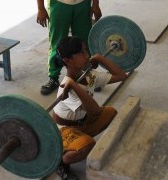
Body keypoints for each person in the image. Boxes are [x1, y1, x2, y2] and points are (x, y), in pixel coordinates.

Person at [52, 36, 127, 180]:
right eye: (81, 53)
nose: (87, 56)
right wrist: (73, 85)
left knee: (111, 113)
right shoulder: (65, 89)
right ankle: (61, 162)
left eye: (86, 50)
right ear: (68, 61)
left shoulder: (89, 75)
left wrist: (100, 58)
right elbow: (95, 111)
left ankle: (80, 137)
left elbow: (121, 75)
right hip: (64, 128)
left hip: (83, 120)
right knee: (87, 145)